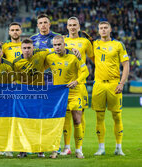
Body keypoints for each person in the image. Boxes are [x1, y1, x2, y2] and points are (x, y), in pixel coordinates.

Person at [46, 35, 89, 159]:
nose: (57, 47)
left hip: (74, 92)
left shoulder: (74, 57)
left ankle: (79, 150)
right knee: (59, 122)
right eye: (55, 45)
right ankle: (59, 148)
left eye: (59, 44)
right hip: (59, 94)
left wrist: (77, 81)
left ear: (64, 44)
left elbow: (85, 71)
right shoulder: (49, 57)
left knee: (77, 120)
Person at [92, 21, 129, 156]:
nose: (103, 30)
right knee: (99, 117)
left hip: (114, 84)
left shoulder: (118, 45)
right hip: (99, 84)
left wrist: (122, 83)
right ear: (98, 30)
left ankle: (118, 147)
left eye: (105, 28)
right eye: (101, 28)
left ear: (110, 29)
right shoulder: (95, 44)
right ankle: (101, 147)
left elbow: (126, 65)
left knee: (117, 116)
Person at [60, 17, 93, 155]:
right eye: (70, 25)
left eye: (75, 25)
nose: (72, 27)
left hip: (80, 84)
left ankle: (79, 147)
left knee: (79, 116)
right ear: (67, 27)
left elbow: (94, 58)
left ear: (79, 27)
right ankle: (67, 147)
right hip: (65, 85)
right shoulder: (62, 41)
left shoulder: (85, 42)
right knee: (66, 116)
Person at [13, 38, 51, 158]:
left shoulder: (41, 53)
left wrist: (73, 49)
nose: (27, 50)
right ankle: (22, 150)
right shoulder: (16, 63)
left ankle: (40, 149)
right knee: (23, 123)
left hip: (39, 95)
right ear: (21, 49)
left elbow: (57, 48)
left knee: (38, 123)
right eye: (24, 48)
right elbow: (14, 80)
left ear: (33, 48)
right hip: (24, 97)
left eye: (29, 48)